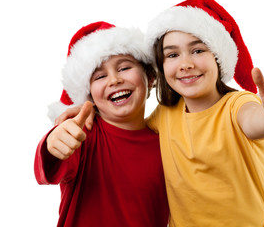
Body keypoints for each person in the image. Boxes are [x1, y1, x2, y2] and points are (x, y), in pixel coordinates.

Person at [143, 0, 264, 227]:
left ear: (219, 58)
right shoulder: (164, 115)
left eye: (198, 50)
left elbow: (254, 120)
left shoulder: (237, 105)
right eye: (172, 54)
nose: (185, 63)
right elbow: (126, 137)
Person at [34, 21, 169, 227]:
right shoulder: (83, 135)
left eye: (124, 68)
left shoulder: (168, 143)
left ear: (150, 77)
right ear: (89, 95)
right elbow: (49, 168)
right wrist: (53, 143)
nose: (114, 80)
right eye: (100, 76)